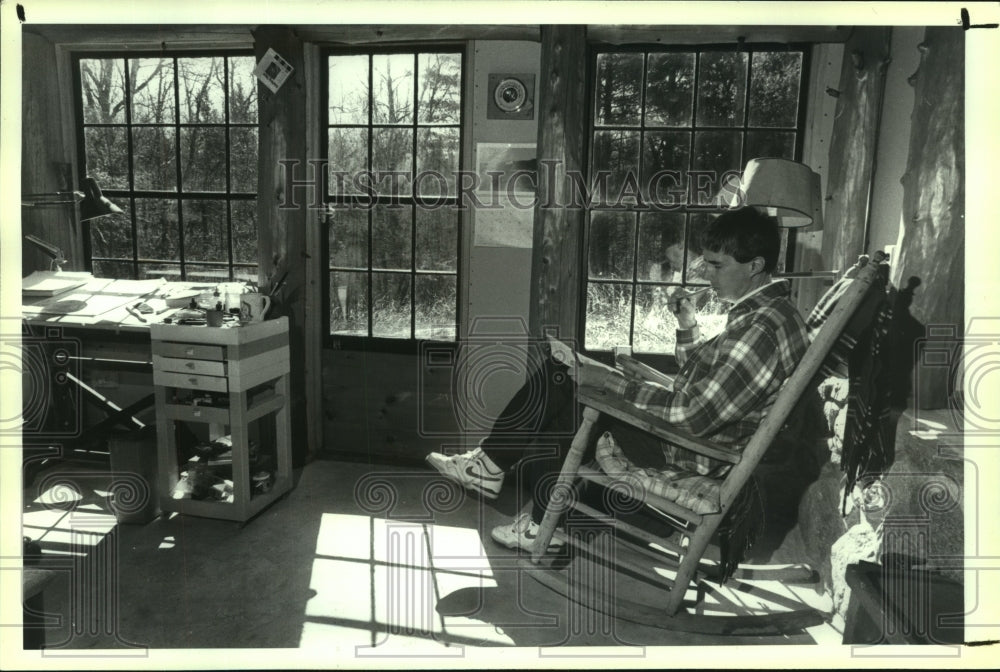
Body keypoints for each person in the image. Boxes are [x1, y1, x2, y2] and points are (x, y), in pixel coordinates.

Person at [427, 207, 811, 552]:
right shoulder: (770, 313)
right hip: (697, 436)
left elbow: (692, 414)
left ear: (755, 265)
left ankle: (509, 489)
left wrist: (611, 383)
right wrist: (687, 323)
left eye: (717, 265)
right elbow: (709, 380)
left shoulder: (760, 330)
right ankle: (518, 498)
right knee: (571, 376)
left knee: (570, 388)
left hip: (691, 450)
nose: (706, 274)